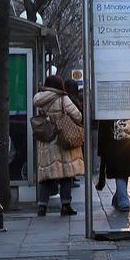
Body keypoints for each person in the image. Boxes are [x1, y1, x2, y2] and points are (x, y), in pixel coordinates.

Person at [33, 74, 84, 216]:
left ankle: (42, 206)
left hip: (47, 139)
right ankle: (65, 206)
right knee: (66, 175)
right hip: (62, 140)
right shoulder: (62, 98)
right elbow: (77, 115)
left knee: (47, 175)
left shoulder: (40, 98)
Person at [97, 119, 130, 211]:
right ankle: (122, 200)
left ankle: (120, 199)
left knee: (121, 170)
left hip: (115, 141)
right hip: (129, 141)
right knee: (122, 170)